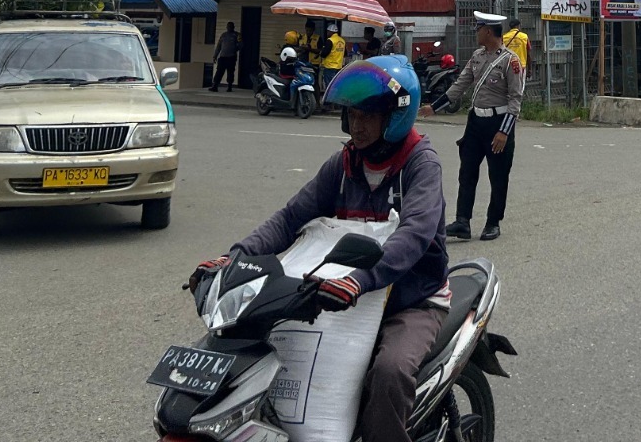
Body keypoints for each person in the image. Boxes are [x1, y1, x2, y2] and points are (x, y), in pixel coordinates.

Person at [191, 57, 448, 442]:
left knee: (390, 373)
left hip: (410, 298)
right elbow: (290, 218)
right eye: (351, 115)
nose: (356, 125)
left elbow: (414, 234)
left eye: (366, 116)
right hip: (346, 293)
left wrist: (363, 279)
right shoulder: (344, 165)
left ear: (394, 117)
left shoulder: (420, 164)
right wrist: (236, 257)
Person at [422, 10, 524, 242]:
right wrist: (434, 107)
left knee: (498, 176)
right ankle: (462, 221)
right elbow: (460, 85)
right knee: (466, 172)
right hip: (475, 123)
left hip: (498, 123)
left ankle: (493, 222)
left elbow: (515, 99)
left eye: (478, 29)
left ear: (488, 31)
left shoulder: (510, 61)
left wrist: (504, 131)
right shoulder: (477, 57)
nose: (476, 33)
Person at [210, 22, 240, 91]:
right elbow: (219, 46)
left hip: (231, 57)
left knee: (230, 72)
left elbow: (241, 44)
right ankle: (215, 86)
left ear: (233, 27)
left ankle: (229, 86)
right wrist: (215, 56)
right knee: (219, 72)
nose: (229, 28)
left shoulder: (237, 35)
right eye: (228, 26)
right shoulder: (223, 35)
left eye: (231, 26)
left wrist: (235, 49)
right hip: (223, 57)